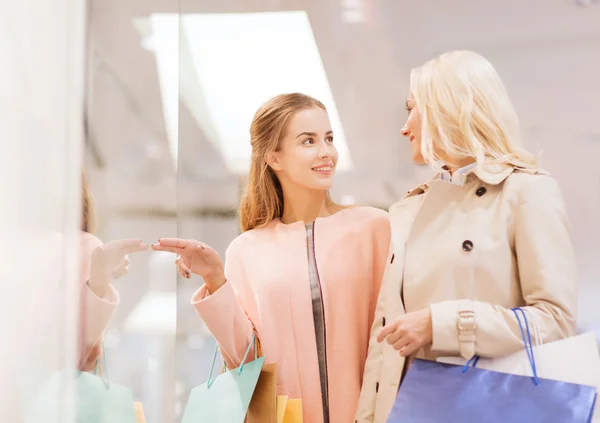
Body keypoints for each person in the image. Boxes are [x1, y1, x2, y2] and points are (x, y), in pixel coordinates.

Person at [354, 50, 577, 422]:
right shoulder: (408, 210)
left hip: (489, 405)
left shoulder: (525, 192)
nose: (404, 126)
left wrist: (442, 324)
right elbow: (384, 348)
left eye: (412, 109)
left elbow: (555, 320)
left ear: (447, 109)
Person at [152, 93, 391, 423]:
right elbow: (246, 362)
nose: (326, 152)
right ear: (274, 158)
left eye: (329, 139)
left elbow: (396, 339)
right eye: (308, 141)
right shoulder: (247, 250)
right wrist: (214, 279)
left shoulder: (374, 228)